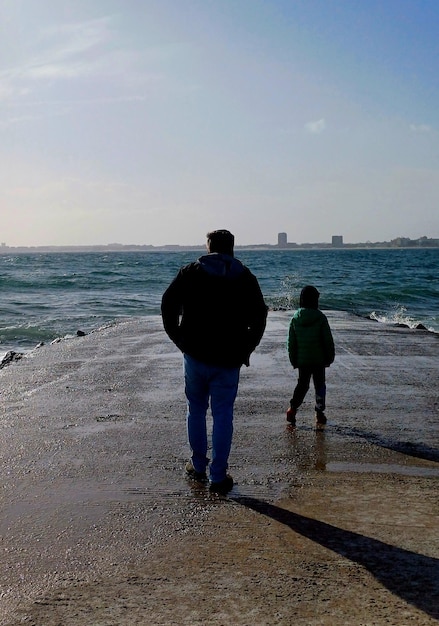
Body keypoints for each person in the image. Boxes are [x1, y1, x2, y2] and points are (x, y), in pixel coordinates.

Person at [161, 229, 267, 494]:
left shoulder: (191, 272)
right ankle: (218, 477)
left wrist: (179, 339)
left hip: (195, 355)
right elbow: (260, 317)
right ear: (232, 248)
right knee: (223, 415)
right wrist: (247, 349)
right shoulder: (245, 277)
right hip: (229, 359)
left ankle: (198, 466)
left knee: (195, 409)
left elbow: (167, 304)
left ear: (210, 247)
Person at [286, 285, 335, 427]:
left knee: (302, 385)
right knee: (319, 386)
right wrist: (329, 358)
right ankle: (319, 414)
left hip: (303, 361)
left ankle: (292, 408)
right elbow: (328, 340)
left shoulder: (295, 318)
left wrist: (293, 359)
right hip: (319, 360)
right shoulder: (320, 317)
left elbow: (291, 342)